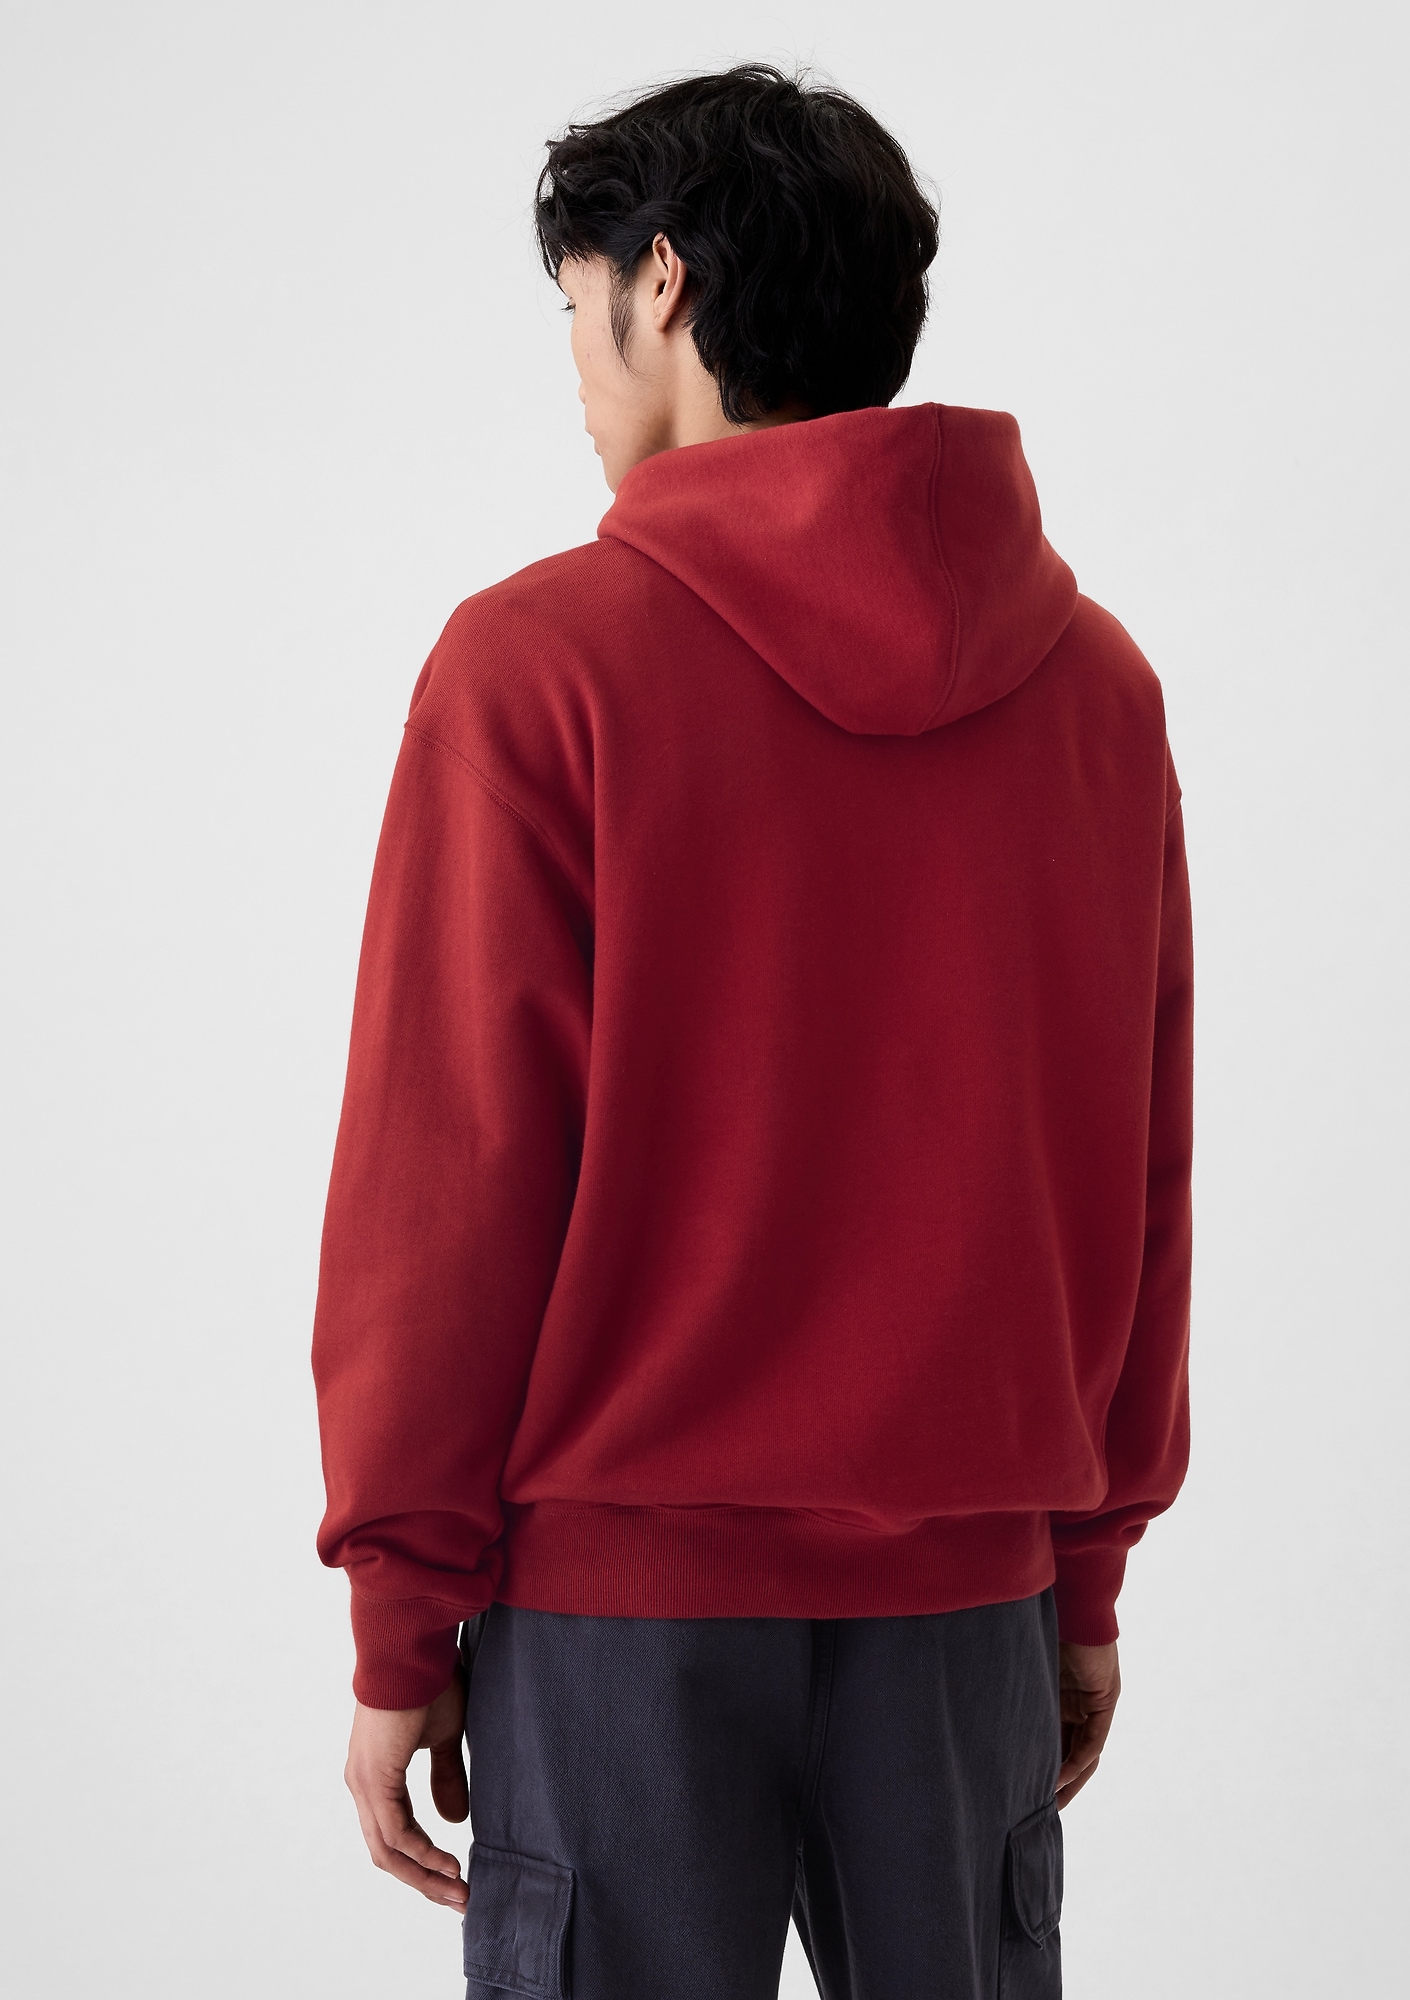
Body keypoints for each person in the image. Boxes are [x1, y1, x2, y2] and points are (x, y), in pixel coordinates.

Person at [312, 63, 1192, 2000]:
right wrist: (1086, 1567)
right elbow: (1140, 1161)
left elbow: (447, 1183)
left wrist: (402, 1612)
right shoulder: (1097, 687)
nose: (575, 361)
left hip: (621, 1614)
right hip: (972, 1599)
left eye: (575, 303)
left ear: (667, 284)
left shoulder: (539, 665)